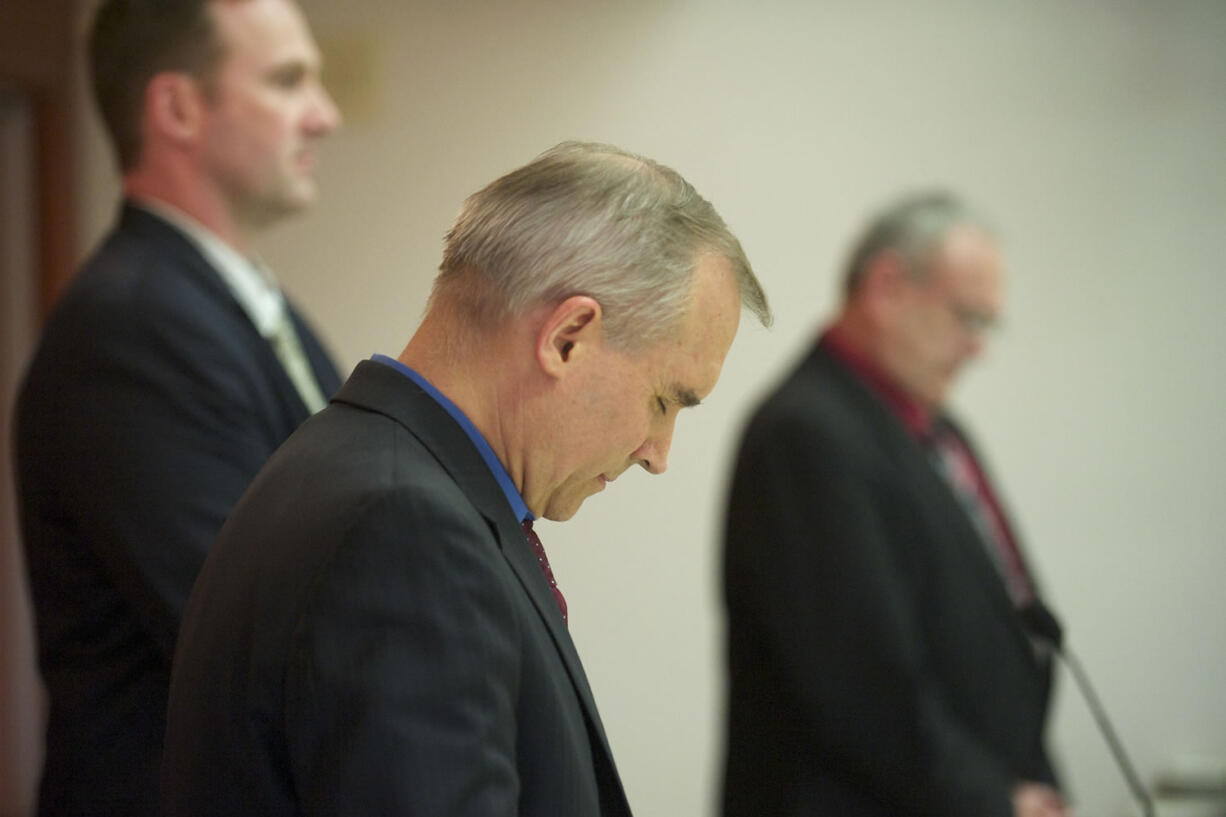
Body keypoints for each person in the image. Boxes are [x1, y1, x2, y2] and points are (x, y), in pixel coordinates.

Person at [161, 141, 772, 816]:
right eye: (664, 400)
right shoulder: (403, 532)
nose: (659, 453)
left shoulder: (359, 470)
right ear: (568, 335)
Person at [13, 1, 342, 814]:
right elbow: (259, 638)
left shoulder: (248, 305)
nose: (324, 115)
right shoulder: (130, 328)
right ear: (177, 108)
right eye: (287, 79)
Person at [721, 192, 1067, 817]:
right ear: (886, 288)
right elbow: (858, 683)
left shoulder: (931, 427)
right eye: (970, 318)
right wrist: (995, 800)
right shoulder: (806, 434)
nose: (979, 348)